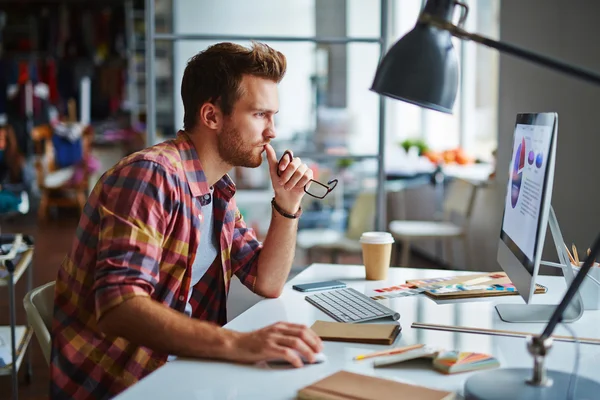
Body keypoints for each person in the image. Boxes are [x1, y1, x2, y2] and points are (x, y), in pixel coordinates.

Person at [50, 42, 323, 400]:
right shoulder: (150, 176)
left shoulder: (217, 190)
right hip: (121, 383)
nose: (272, 131)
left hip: (180, 371)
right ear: (211, 116)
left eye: (273, 116)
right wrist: (239, 344)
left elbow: (267, 281)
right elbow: (120, 305)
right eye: (259, 115)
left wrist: (287, 204)